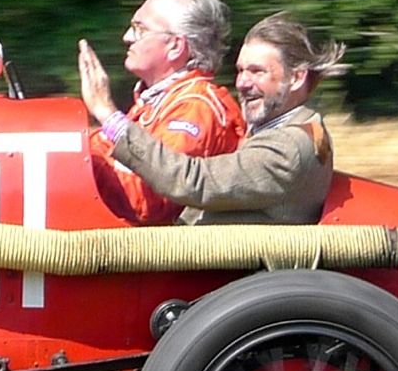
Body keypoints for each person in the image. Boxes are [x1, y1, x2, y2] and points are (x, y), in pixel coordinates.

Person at [98, 12, 348, 225]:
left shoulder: (288, 148)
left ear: (296, 78)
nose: (242, 83)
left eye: (257, 71)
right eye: (240, 71)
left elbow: (193, 181)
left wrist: (111, 119)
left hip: (225, 276)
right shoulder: (299, 128)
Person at [77, 0, 246, 225]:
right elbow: (102, 154)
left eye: (140, 29)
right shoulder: (157, 101)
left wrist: (106, 114)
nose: (127, 37)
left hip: (177, 256)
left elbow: (148, 203)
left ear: (175, 46)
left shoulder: (196, 107)